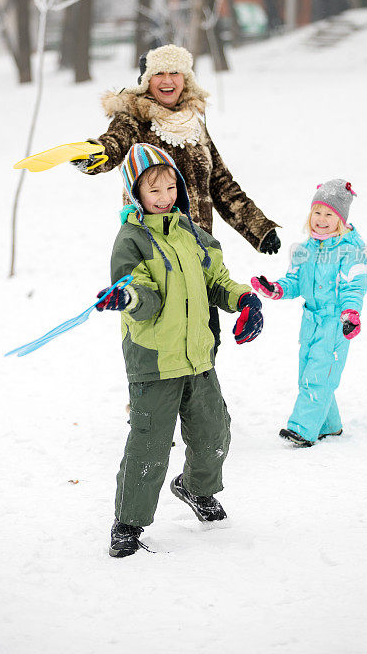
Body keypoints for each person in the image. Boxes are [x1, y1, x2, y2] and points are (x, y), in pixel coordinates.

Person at [96, 142, 263, 557]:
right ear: (135, 194)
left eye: (171, 186)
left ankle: (194, 489)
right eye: (154, 190)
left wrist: (244, 300)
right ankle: (128, 523)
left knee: (214, 435)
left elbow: (217, 281)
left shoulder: (191, 233)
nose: (165, 197)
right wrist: (128, 298)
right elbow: (144, 296)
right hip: (155, 362)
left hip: (198, 358)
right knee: (149, 446)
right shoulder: (132, 240)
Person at [72, 43, 280, 351]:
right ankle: (152, 400)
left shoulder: (193, 121)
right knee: (160, 333)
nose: (167, 80)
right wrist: (94, 154)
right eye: (159, 73)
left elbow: (221, 181)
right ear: (146, 79)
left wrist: (259, 228)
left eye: (175, 72)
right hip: (154, 248)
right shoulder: (134, 119)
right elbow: (113, 144)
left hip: (197, 247)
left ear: (186, 78)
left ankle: (201, 399)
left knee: (204, 337)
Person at [252, 179, 367, 447]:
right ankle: (329, 425)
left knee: (317, 376)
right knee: (311, 373)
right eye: (317, 212)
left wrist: (351, 313)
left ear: (340, 219)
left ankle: (303, 428)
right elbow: (294, 281)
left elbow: (354, 286)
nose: (321, 219)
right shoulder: (305, 249)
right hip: (311, 321)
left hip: (335, 323)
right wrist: (276, 289)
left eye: (329, 214)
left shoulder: (349, 250)